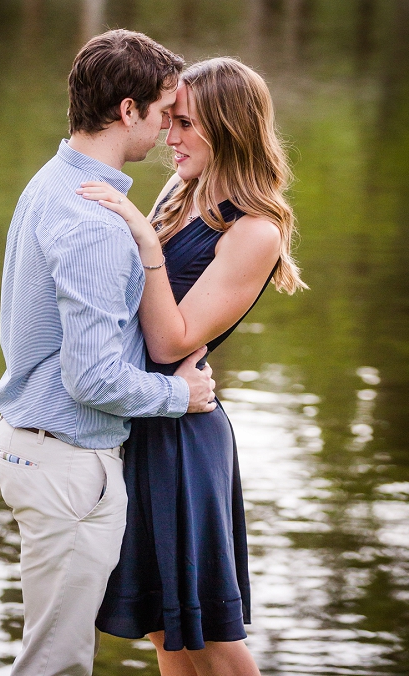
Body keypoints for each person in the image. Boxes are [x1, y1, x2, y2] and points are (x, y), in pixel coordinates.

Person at [0, 29, 218, 676]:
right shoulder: (96, 224)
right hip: (68, 462)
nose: (169, 130)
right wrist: (183, 394)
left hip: (33, 445)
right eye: (164, 114)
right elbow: (93, 380)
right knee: (55, 663)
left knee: (51, 651)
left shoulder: (53, 180)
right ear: (128, 111)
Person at [81, 57, 305, 675]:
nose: (168, 137)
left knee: (210, 637)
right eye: (169, 120)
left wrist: (143, 239)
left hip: (185, 439)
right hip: (146, 421)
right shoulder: (181, 191)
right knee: (165, 630)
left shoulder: (255, 230)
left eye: (184, 123)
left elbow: (169, 341)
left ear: (229, 127)